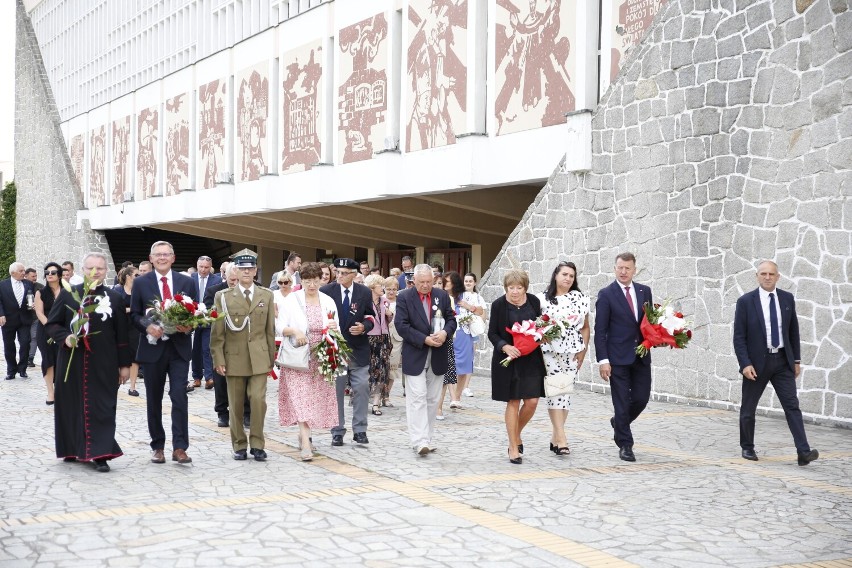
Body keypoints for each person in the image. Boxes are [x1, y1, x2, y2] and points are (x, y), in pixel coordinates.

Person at [46, 252, 131, 472]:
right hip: (71, 361)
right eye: (90, 268)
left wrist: (124, 366)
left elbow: (122, 336)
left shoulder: (115, 298)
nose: (95, 272)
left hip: (104, 362)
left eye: (100, 269)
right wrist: (66, 337)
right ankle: (72, 448)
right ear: (82, 270)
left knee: (102, 405)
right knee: (70, 404)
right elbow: (53, 324)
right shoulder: (68, 295)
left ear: (106, 271)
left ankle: (100, 453)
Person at [733, 260, 819, 466]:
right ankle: (747, 447)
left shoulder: (787, 299)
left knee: (792, 406)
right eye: (763, 273)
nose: (767, 277)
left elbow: (793, 332)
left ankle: (803, 451)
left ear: (778, 276)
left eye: (771, 274)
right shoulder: (745, 302)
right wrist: (745, 364)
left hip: (782, 361)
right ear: (757, 276)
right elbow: (739, 337)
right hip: (756, 364)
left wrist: (796, 360)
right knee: (748, 408)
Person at [130, 241, 198, 465]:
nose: (162, 258)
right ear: (151, 258)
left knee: (179, 396)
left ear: (173, 257)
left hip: (178, 348)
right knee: (154, 399)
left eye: (166, 254)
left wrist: (190, 325)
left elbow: (195, 312)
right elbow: (135, 315)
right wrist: (147, 326)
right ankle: (157, 445)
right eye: (157, 255)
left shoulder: (187, 282)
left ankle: (180, 447)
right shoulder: (141, 283)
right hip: (152, 349)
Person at [210, 249, 275, 461]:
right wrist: (218, 358)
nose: (247, 272)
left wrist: (270, 359)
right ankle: (239, 444)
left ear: (256, 271)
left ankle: (257, 443)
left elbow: (269, 330)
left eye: (251, 268)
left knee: (258, 401)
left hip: (259, 357)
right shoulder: (223, 297)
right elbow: (217, 332)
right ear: (236, 271)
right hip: (234, 357)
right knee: (235, 404)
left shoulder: (266, 294)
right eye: (243, 268)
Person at [276, 262, 340, 461]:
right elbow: (279, 327)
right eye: (307, 281)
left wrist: (332, 329)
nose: (311, 285)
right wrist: (295, 331)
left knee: (314, 398)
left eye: (315, 280)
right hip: (298, 355)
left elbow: (336, 327)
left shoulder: (328, 300)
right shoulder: (291, 300)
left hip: (320, 355)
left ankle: (305, 434)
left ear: (321, 280)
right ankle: (305, 443)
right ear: (301, 281)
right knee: (301, 398)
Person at [594, 252, 653, 463]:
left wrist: (660, 337)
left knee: (641, 398)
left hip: (641, 356)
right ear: (614, 268)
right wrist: (603, 360)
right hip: (617, 358)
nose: (623, 271)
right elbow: (600, 331)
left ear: (634, 270)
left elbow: (649, 323)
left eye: (628, 268)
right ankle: (626, 445)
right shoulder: (606, 294)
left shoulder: (644, 291)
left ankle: (619, 422)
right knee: (620, 402)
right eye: (620, 267)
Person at [394, 264, 456, 455]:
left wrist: (445, 332)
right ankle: (419, 440)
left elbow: (452, 319)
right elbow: (401, 325)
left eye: (429, 282)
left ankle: (427, 437)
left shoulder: (442, 296)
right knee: (418, 397)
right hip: (416, 352)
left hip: (438, 353)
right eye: (422, 282)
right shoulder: (404, 297)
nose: (426, 285)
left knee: (432, 398)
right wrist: (424, 339)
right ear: (414, 281)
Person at [488, 269, 545, 464]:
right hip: (508, 359)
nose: (514, 291)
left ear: (525, 288)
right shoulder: (498, 305)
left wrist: (542, 335)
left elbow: (539, 326)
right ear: (506, 288)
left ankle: (516, 433)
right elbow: (492, 333)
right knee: (513, 401)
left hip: (531, 359)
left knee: (532, 402)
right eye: (511, 287)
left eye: (519, 287)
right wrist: (505, 347)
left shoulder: (534, 302)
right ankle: (513, 446)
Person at [320, 258, 376, 447]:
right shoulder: (326, 291)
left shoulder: (364, 292)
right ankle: (337, 430)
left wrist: (364, 326)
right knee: (336, 391)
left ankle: (360, 430)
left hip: (358, 348)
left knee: (361, 387)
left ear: (354, 274)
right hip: (335, 349)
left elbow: (371, 316)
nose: (340, 276)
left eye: (344, 273)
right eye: (338, 272)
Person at [537, 262, 590, 455]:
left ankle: (556, 437)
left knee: (565, 393)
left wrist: (582, 352)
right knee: (555, 391)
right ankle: (562, 437)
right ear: (556, 276)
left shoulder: (580, 298)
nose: (568, 278)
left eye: (571, 276)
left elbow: (585, 327)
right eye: (565, 274)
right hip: (550, 351)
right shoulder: (542, 299)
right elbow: (536, 326)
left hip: (573, 351)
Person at [204, 265, 250, 428]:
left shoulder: (250, 291)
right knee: (221, 380)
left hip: (244, 342)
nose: (235, 283)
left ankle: (247, 413)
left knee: (245, 380)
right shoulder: (215, 292)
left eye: (238, 280)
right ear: (226, 277)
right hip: (223, 341)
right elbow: (208, 313)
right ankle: (222, 413)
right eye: (232, 280)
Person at [190, 255, 222, 391]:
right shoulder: (190, 279)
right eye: (201, 267)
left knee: (207, 348)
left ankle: (209, 377)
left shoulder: (217, 280)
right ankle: (196, 377)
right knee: (195, 348)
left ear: (211, 267)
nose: (203, 270)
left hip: (209, 318)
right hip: (193, 318)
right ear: (197, 266)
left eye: (206, 267)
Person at [0, 262, 35, 380]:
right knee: (9, 345)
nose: (23, 273)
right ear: (13, 272)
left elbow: (32, 298)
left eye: (23, 270)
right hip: (8, 320)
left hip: (24, 319)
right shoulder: (2, 285)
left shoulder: (29, 284)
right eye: (21, 271)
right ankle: (11, 370)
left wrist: (33, 306)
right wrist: (1, 315)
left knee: (25, 343)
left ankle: (22, 369)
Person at [34, 262, 63, 404]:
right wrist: (50, 326)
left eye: (53, 272)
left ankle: (61, 390)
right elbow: (39, 312)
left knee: (61, 360)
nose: (49, 275)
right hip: (45, 331)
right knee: (48, 360)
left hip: (63, 331)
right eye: (47, 273)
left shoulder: (67, 291)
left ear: (60, 275)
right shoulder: (41, 292)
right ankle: (50, 393)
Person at [364, 274, 392, 416]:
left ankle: (376, 403)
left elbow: (390, 318)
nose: (383, 288)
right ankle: (363, 400)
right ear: (372, 287)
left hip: (383, 339)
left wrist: (389, 314)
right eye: (380, 285)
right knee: (367, 371)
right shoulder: (364, 301)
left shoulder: (385, 301)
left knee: (382, 371)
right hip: (369, 339)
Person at [113, 266, 142, 396]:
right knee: (120, 352)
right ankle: (118, 380)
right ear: (129, 276)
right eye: (136, 275)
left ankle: (133, 386)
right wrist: (130, 309)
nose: (139, 277)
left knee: (135, 356)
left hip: (135, 326)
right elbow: (115, 309)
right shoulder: (118, 290)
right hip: (121, 325)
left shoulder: (139, 290)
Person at [435, 273, 460, 420]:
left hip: (444, 339)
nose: (438, 286)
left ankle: (438, 407)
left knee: (445, 374)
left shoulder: (447, 299)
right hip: (426, 338)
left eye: (441, 283)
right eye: (436, 283)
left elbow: (451, 320)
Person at [458, 273, 486, 398]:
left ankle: (466, 387)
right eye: (466, 281)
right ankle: (456, 385)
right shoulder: (459, 296)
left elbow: (483, 316)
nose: (468, 283)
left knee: (470, 358)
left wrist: (471, 313)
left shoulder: (479, 298)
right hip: (460, 330)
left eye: (470, 281)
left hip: (472, 330)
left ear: (475, 283)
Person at [383, 276, 402, 403]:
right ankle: (378, 394)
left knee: (392, 368)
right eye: (389, 289)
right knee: (382, 367)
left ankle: (387, 395)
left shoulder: (401, 302)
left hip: (396, 338)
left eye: (394, 289)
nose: (391, 292)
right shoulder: (380, 300)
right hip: (382, 336)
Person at [25, 267, 43, 368]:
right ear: (26, 276)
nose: (35, 278)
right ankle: (25, 357)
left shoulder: (40, 287)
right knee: (25, 339)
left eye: (36, 276)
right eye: (33, 276)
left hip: (36, 317)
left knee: (34, 337)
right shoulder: (21, 286)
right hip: (24, 317)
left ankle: (30, 359)